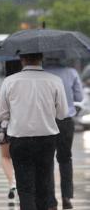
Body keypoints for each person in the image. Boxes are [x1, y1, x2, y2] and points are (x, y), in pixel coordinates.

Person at [0, 53, 68, 210]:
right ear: (42, 58)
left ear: (22, 59)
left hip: (20, 140)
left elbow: (1, 114)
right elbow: (62, 113)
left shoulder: (10, 82)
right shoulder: (55, 81)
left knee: (25, 188)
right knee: (43, 186)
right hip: (47, 140)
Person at [44, 58, 83, 210]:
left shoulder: (43, 74)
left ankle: (51, 201)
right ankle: (66, 197)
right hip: (66, 120)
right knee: (65, 159)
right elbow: (79, 98)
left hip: (47, 122)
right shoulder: (71, 72)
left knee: (47, 161)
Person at [0, 60, 22, 200]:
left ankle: (12, 183)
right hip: (21, 122)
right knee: (21, 156)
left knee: (5, 157)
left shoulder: (0, 80)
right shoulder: (23, 79)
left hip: (3, 122)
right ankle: (21, 181)